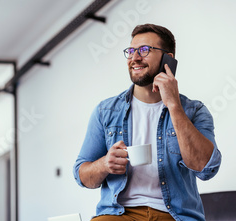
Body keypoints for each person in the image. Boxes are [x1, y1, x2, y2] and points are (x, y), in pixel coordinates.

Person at [73, 23, 221, 221]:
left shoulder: (194, 111)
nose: (135, 57)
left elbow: (206, 169)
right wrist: (104, 165)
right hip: (119, 214)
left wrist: (174, 106)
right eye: (131, 51)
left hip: (175, 215)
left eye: (144, 50)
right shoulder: (105, 111)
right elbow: (82, 176)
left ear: (168, 59)